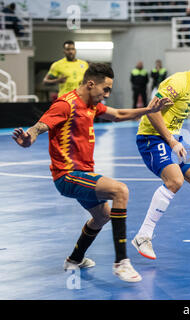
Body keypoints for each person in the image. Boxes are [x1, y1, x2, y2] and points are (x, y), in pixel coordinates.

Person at [12, 63, 172, 282]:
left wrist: (149, 110)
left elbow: (118, 114)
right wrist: (28, 138)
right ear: (90, 83)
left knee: (102, 215)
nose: (106, 95)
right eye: (104, 90)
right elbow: (40, 126)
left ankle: (74, 259)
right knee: (120, 191)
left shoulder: (91, 105)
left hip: (83, 174)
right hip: (68, 175)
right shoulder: (66, 105)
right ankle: (121, 262)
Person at [133, 51, 190, 261]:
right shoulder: (177, 83)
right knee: (175, 180)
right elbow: (152, 110)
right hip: (152, 137)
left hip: (173, 137)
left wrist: (174, 140)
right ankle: (143, 236)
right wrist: (172, 141)